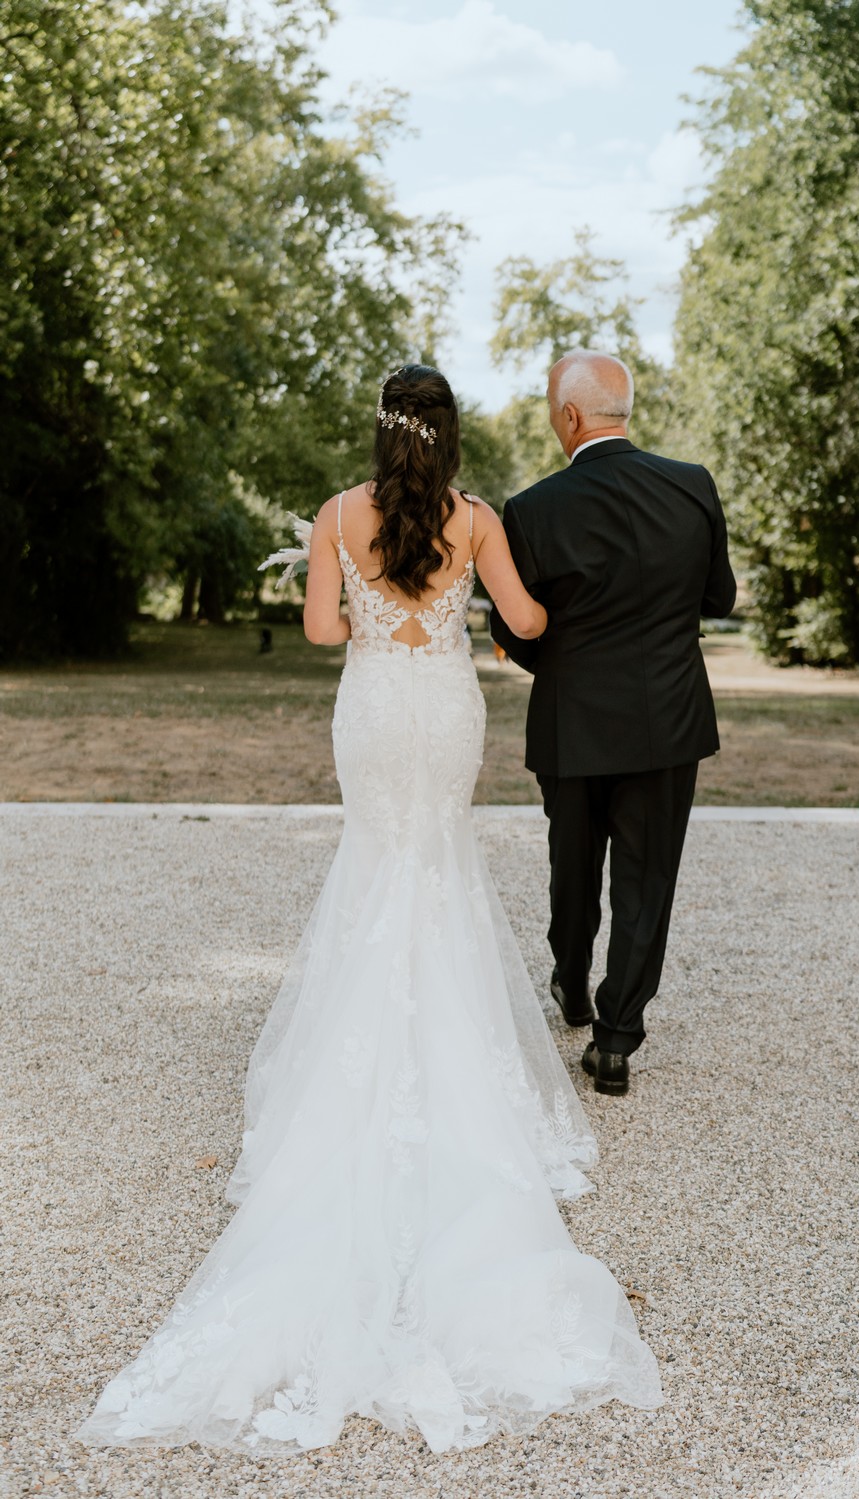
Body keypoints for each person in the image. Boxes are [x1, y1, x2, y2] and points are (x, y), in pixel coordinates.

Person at [76, 365, 662, 1456]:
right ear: (444, 436)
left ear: (383, 431)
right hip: (440, 710)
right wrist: (500, 597)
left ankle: (347, 1065)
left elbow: (315, 633)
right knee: (437, 866)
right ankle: (454, 1071)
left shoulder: (339, 513)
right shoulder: (475, 518)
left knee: (376, 862)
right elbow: (528, 616)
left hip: (372, 714)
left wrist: (346, 590)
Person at [490, 349, 737, 1098]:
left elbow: (519, 632)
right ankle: (616, 1040)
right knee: (647, 879)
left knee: (574, 865)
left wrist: (568, 665)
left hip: (572, 724)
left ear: (569, 416)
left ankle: (570, 982)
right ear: (621, 409)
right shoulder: (692, 485)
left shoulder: (532, 510)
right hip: (668, 718)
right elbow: (718, 598)